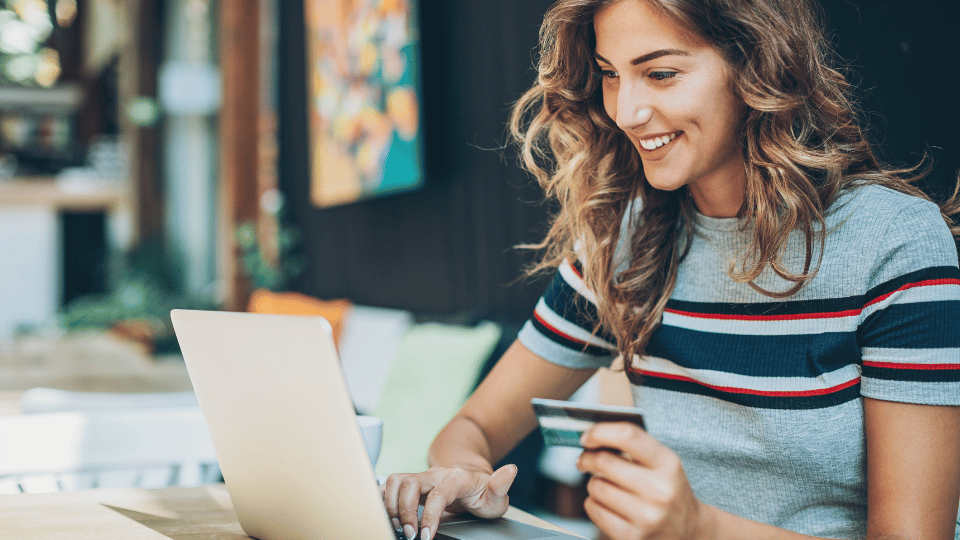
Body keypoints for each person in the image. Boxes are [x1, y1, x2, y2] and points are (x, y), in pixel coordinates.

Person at [382, 0, 960, 538]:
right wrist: (465, 474)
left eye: (659, 73)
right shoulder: (624, 243)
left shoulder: (893, 243)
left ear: (755, 64)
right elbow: (472, 429)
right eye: (611, 73)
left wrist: (699, 528)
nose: (627, 112)